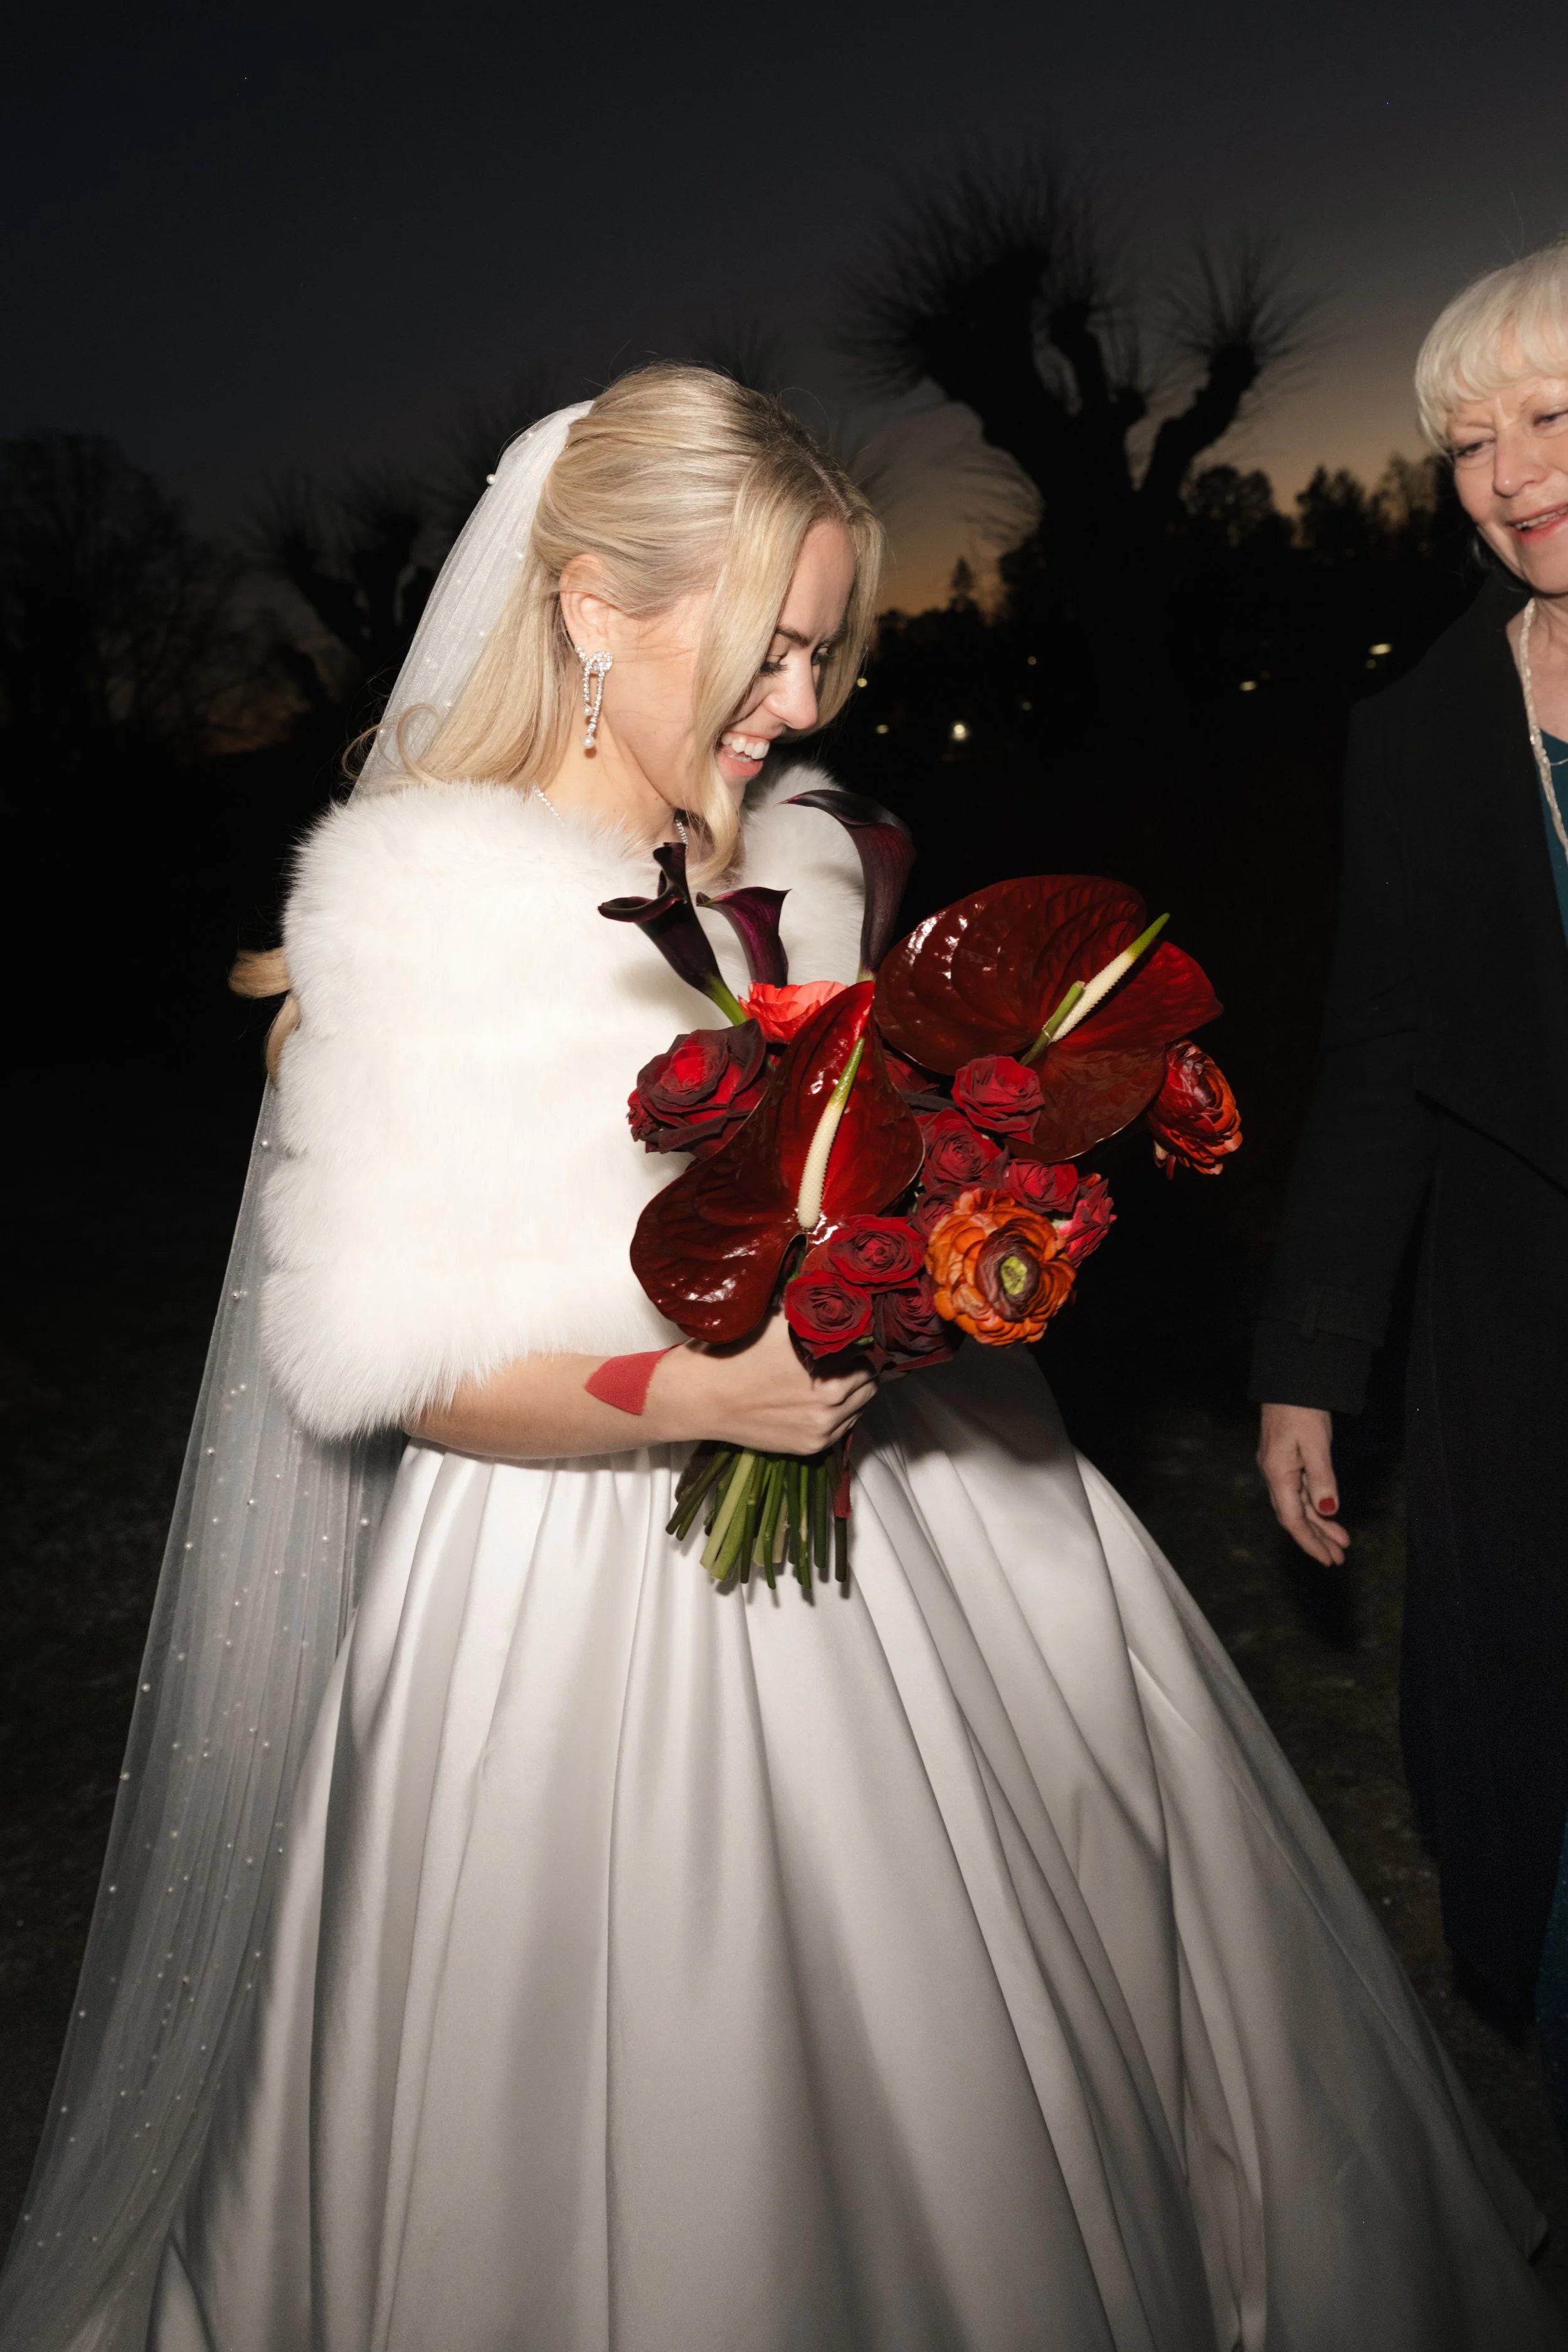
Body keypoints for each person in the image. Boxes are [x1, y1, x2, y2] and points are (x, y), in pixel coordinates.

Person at [3, 366, 1559, 2352]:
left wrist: (963, 1236)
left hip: (910, 1506)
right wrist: (705, 1395)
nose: (803, 701)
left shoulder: (789, 867)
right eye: (771, 644)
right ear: (593, 608)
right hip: (575, 1590)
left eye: (824, 647)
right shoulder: (417, 916)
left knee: (1045, 1959)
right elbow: (392, 1362)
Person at [1254, 243, 1568, 2127]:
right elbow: (1375, 1064)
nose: (1510, 471)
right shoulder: (1416, 733)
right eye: (1467, 443)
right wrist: (1311, 1351)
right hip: (1519, 1332)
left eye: (1548, 417)